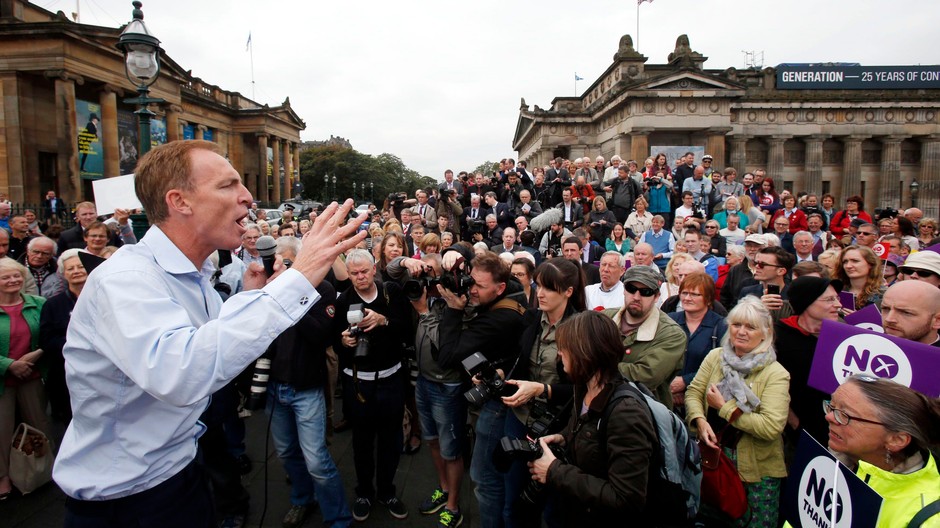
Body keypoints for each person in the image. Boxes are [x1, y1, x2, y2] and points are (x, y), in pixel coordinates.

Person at [52, 140, 366, 526]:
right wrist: (299, 277)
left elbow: (217, 346)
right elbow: (180, 373)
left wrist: (254, 297)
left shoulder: (195, 277)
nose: (249, 197)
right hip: (127, 501)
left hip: (183, 471)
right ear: (179, 201)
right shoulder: (125, 279)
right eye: (228, 185)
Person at [528, 311, 659, 525]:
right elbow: (587, 429)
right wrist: (563, 437)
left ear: (585, 353)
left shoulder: (626, 414)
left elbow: (627, 498)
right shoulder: (584, 386)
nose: (559, 353)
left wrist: (553, 472)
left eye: (565, 348)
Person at [264, 236, 352, 528]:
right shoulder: (268, 291)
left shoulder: (322, 290)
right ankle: (303, 499)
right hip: (275, 386)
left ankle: (338, 517)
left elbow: (319, 335)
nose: (282, 268)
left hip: (306, 387)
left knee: (316, 459)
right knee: (287, 452)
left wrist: (291, 296)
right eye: (279, 262)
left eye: (288, 262)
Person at [437, 250, 527, 528]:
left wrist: (453, 309)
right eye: (469, 281)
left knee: (484, 478)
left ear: (500, 288)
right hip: (499, 391)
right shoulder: (512, 292)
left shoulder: (499, 319)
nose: (471, 290)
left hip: (498, 406)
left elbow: (448, 357)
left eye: (479, 286)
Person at [685, 297, 790, 528]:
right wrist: (700, 421)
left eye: (750, 327)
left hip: (756, 474)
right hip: (712, 462)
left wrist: (724, 407)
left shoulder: (775, 374)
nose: (741, 332)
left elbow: (771, 427)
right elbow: (693, 393)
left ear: (765, 333)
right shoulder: (716, 357)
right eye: (736, 325)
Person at [502, 258, 587, 527]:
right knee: (513, 500)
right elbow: (518, 360)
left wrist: (543, 389)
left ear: (568, 292)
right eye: (538, 286)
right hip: (520, 417)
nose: (540, 293)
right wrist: (503, 375)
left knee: (552, 509)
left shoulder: (580, 328)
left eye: (549, 288)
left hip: (558, 428)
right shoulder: (531, 318)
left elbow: (585, 388)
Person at [333, 249, 411, 522]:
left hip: (391, 378)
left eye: (364, 271)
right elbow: (334, 342)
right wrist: (344, 342)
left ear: (374, 267)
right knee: (362, 441)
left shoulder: (390, 293)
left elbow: (407, 329)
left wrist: (383, 320)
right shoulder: (343, 301)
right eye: (353, 273)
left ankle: (387, 491)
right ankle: (364, 492)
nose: (359, 277)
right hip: (359, 384)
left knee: (391, 440)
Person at [824, 375, 940, 528]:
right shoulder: (829, 464)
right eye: (831, 406)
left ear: (897, 440)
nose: (829, 416)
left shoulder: (928, 518)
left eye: (845, 415)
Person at [602, 266, 687, 409]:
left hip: (642, 413)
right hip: (596, 407)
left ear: (657, 297)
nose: (636, 296)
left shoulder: (671, 334)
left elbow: (645, 376)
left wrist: (593, 367)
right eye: (631, 288)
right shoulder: (604, 318)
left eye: (645, 292)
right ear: (623, 289)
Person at [774, 276, 843, 448]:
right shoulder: (777, 336)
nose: (838, 305)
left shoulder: (844, 336)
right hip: (792, 433)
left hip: (836, 432)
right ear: (806, 302)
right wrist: (794, 423)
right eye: (829, 299)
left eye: (837, 298)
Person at [0, 259, 47, 500]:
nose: (13, 281)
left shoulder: (38, 304)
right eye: (6, 277)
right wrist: (10, 365)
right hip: (2, 379)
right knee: (2, 429)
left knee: (38, 423)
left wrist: (37, 354)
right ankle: (3, 476)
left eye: (17, 276)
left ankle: (40, 470)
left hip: (32, 374)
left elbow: (51, 334)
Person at [38, 249, 86, 429]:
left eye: (80, 266)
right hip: (66, 373)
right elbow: (46, 340)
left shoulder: (106, 298)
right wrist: (77, 346)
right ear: (63, 274)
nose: (76, 271)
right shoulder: (53, 305)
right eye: (70, 268)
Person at [668, 272, 728, 412]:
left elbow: (722, 365)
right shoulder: (668, 320)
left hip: (704, 402)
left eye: (695, 294)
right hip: (668, 398)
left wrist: (685, 381)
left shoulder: (721, 326)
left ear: (708, 299)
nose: (687, 298)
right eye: (684, 293)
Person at [880, 280, 940, 346]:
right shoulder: (869, 343)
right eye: (886, 309)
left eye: (906, 313)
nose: (889, 319)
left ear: (937, 321)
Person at [836, 245, 885, 311]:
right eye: (845, 261)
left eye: (855, 261)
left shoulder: (883, 294)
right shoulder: (836, 290)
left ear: (870, 264)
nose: (848, 266)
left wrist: (857, 318)